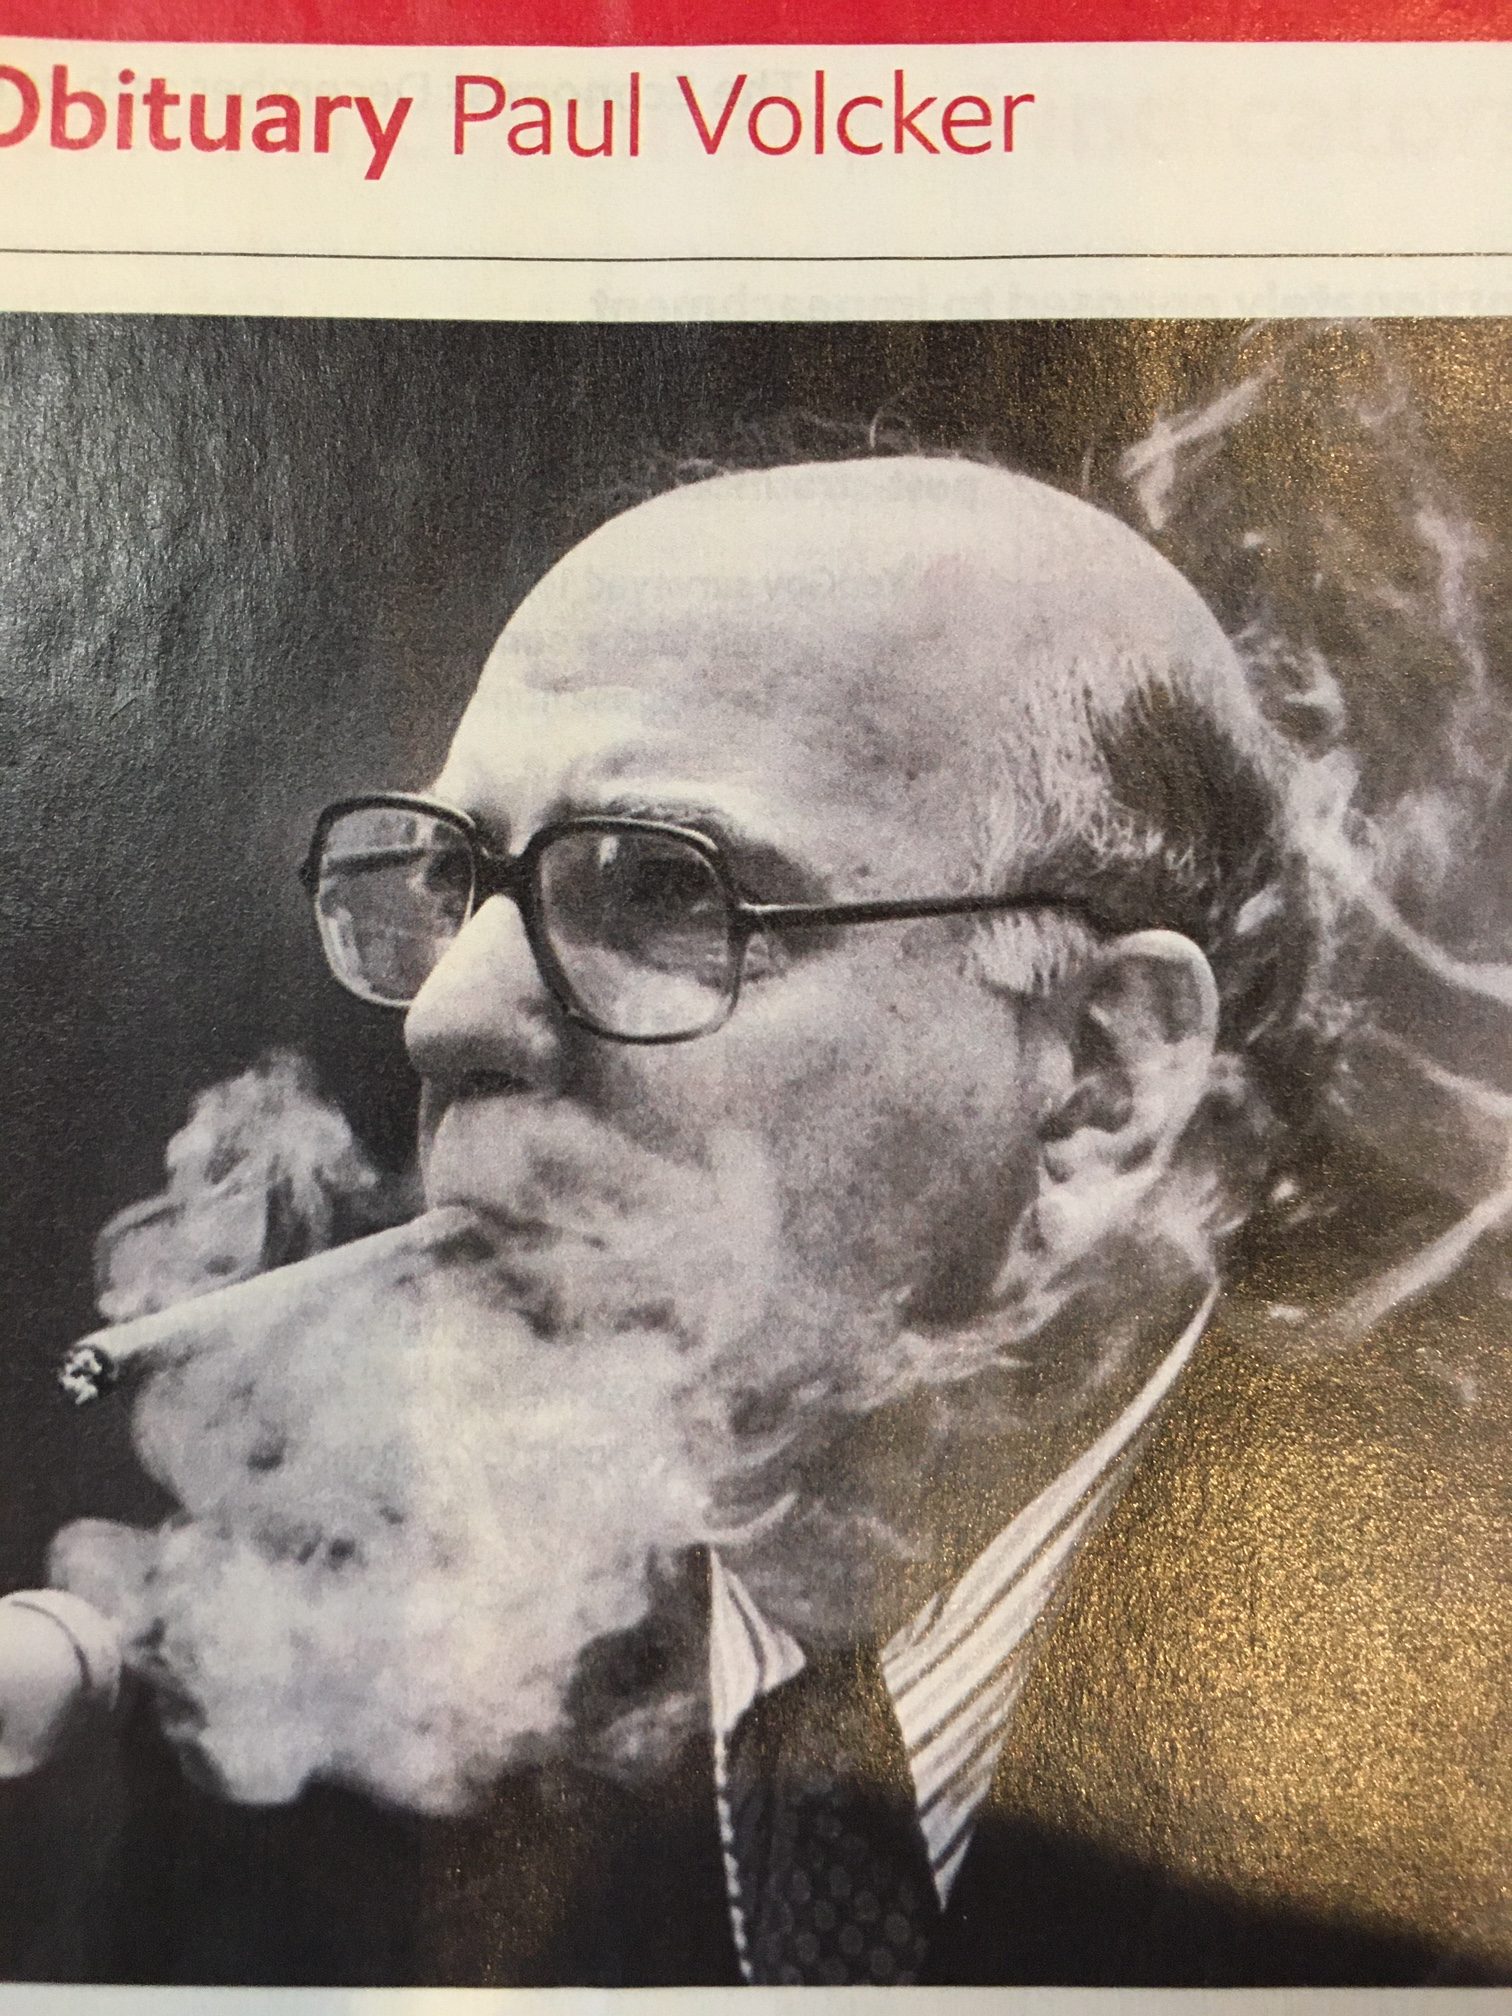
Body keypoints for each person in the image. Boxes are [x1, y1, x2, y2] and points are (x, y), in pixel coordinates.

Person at [1, 453, 1505, 1987]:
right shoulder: (316, 1730)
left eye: (662, 886)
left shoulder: (1456, 1697)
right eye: (458, 882)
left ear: (1098, 1078)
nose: (448, 1014)